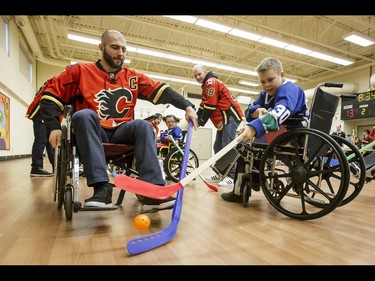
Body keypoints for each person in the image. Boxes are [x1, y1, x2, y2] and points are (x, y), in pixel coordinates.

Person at [39, 29, 198, 212]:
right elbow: (50, 96)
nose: (120, 53)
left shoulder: (132, 76)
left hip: (122, 132)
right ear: (101, 47)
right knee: (82, 115)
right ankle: (102, 189)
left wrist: (187, 106)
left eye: (123, 49)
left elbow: (163, 91)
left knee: (143, 125)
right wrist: (53, 127)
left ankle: (152, 191)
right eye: (115, 47)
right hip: (94, 131)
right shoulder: (80, 71)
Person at [221, 57, 309, 203]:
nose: (267, 85)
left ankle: (243, 187)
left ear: (282, 75)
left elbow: (278, 115)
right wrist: (256, 112)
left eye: (270, 79)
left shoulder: (290, 89)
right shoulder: (266, 94)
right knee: (248, 144)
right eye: (262, 82)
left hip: (294, 135)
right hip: (280, 134)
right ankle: (255, 176)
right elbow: (249, 110)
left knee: (245, 148)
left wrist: (254, 127)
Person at [193, 64, 244, 187]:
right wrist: (195, 117)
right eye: (195, 76)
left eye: (199, 74)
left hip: (230, 116)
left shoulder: (211, 82)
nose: (198, 77)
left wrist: (200, 122)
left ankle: (231, 176)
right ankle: (220, 173)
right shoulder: (206, 86)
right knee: (217, 147)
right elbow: (203, 105)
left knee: (227, 146)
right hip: (224, 119)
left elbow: (210, 105)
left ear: (206, 72)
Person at [26, 82, 55, 177]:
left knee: (50, 142)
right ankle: (36, 167)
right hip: (41, 111)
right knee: (41, 140)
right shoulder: (57, 81)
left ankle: (56, 167)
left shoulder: (55, 80)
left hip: (46, 111)